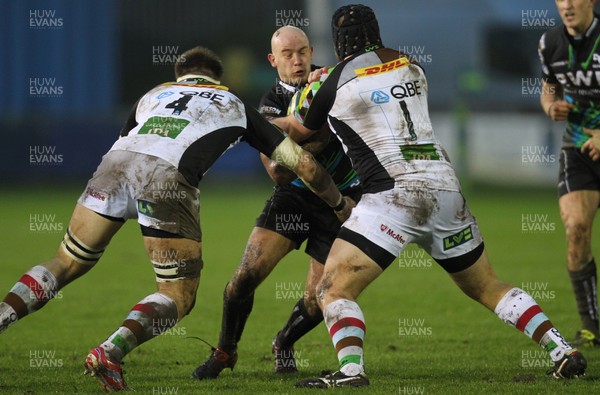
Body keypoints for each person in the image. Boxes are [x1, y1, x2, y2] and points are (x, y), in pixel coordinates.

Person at [0, 46, 353, 392]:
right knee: (177, 293)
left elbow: (127, 141)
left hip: (113, 166)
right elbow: (303, 165)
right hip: (165, 178)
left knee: (66, 261)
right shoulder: (232, 102)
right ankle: (110, 351)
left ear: (180, 76)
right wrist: (338, 204)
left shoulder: (154, 94)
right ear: (217, 78)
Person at [279, 4, 588, 388]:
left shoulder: (331, 81)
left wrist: (247, 122)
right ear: (376, 32)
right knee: (487, 285)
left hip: (392, 198)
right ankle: (562, 350)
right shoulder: (412, 66)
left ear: (339, 42)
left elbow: (295, 129)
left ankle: (351, 370)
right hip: (445, 192)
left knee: (332, 288)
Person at [192, 26, 362, 379]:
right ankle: (225, 352)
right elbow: (280, 173)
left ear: (312, 51)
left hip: (341, 198)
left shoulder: (331, 86)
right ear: (273, 60)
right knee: (243, 279)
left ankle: (284, 342)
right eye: (287, 55)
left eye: (302, 52)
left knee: (320, 298)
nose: (297, 61)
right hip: (294, 197)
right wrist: (315, 134)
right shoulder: (270, 102)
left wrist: (297, 139)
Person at [539, 0, 600, 348]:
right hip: (577, 150)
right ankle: (591, 325)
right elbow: (550, 87)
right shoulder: (550, 43)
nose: (567, 4)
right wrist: (551, 105)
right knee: (576, 228)